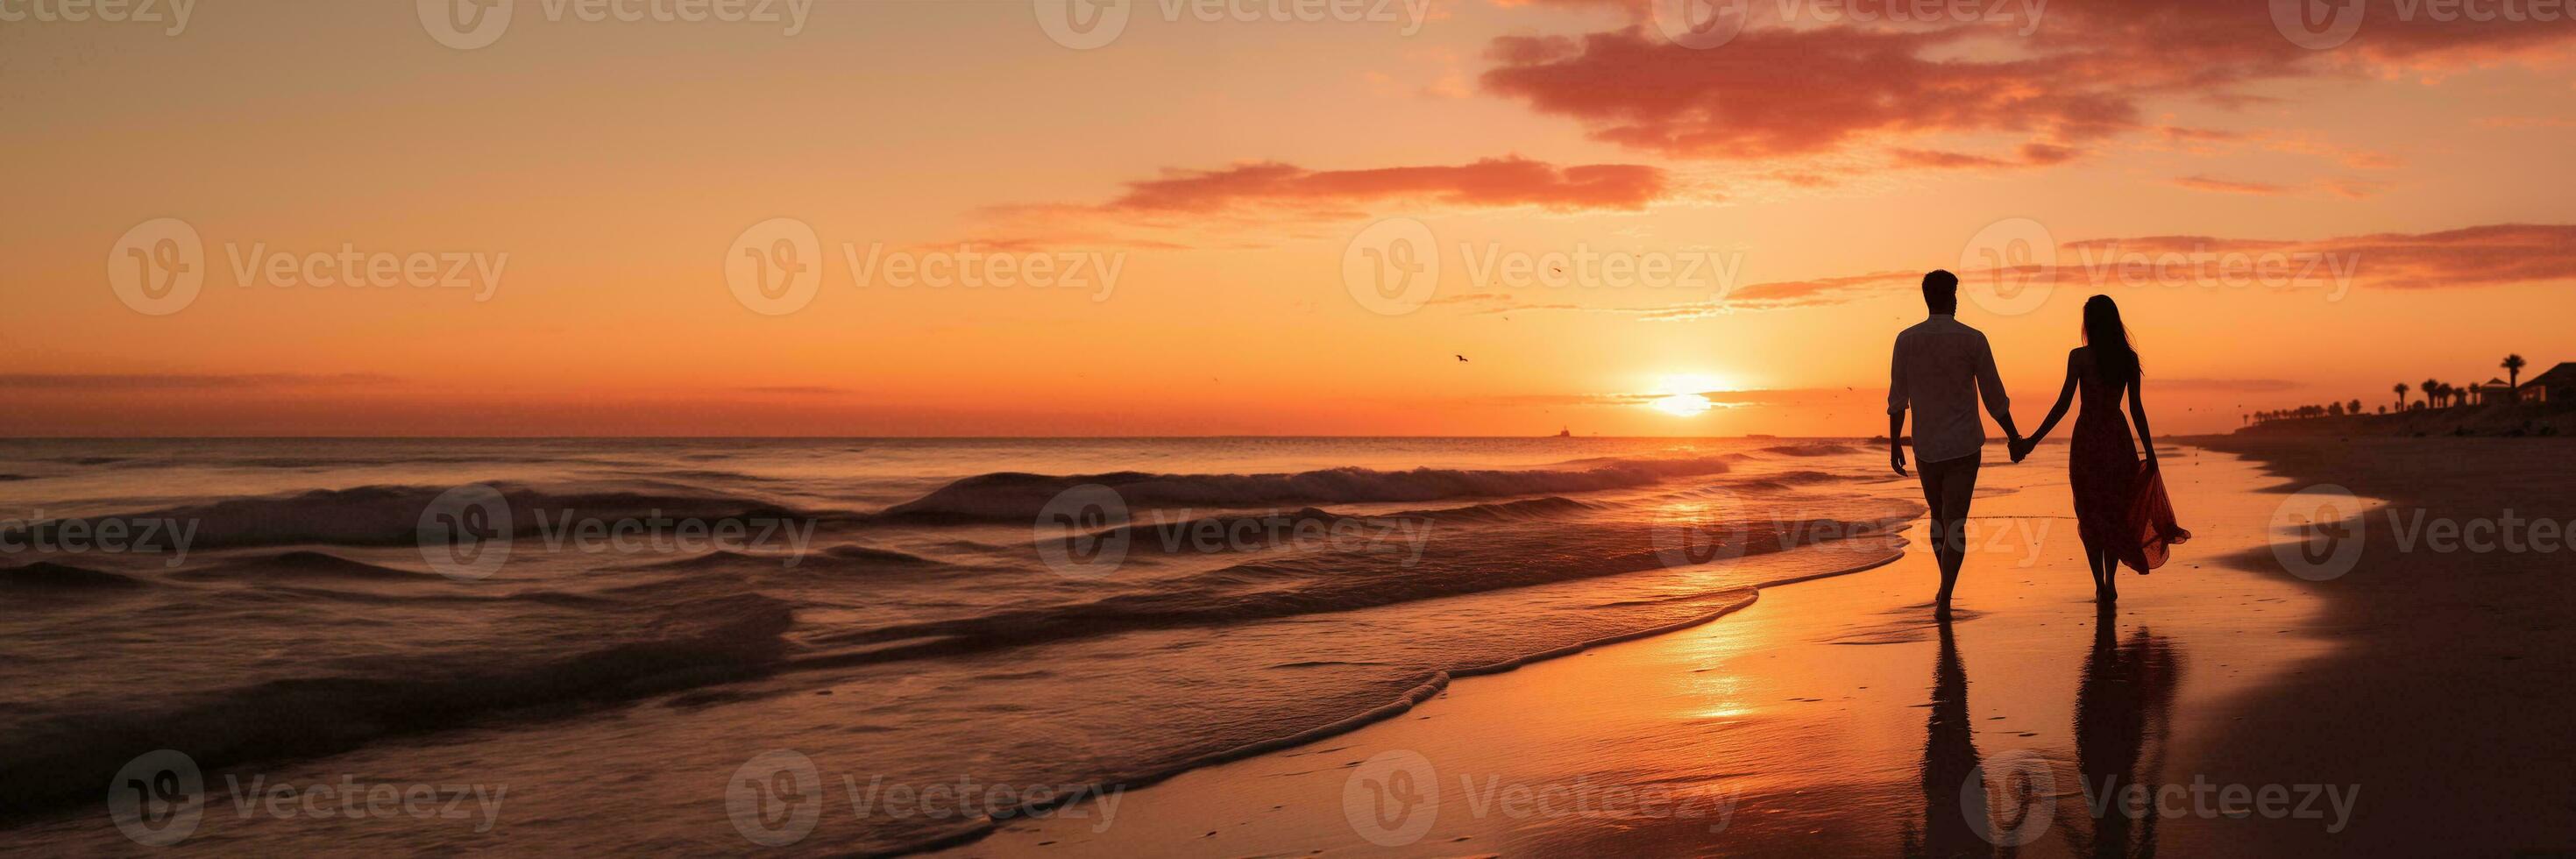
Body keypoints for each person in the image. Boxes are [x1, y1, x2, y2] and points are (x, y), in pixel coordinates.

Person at [2010, 295, 2191, 602]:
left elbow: (2063, 406)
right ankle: (2109, 580)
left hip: (2088, 442)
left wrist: (2031, 440)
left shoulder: (2079, 358)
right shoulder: (2127, 359)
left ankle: (2100, 585)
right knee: (2114, 511)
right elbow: (2136, 409)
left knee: (2090, 513)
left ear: (2089, 323)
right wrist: (2150, 450)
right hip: (2117, 439)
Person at [1888, 270, 2021, 615]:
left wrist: (1894, 445)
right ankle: (1946, 596)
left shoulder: (1906, 339)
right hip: (1963, 445)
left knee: (1939, 517)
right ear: (1952, 297)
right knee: (1956, 520)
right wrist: (2014, 436)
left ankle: (1944, 587)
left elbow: (1897, 399)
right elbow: (1995, 397)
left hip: (1926, 445)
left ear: (1927, 298)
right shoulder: (1973, 339)